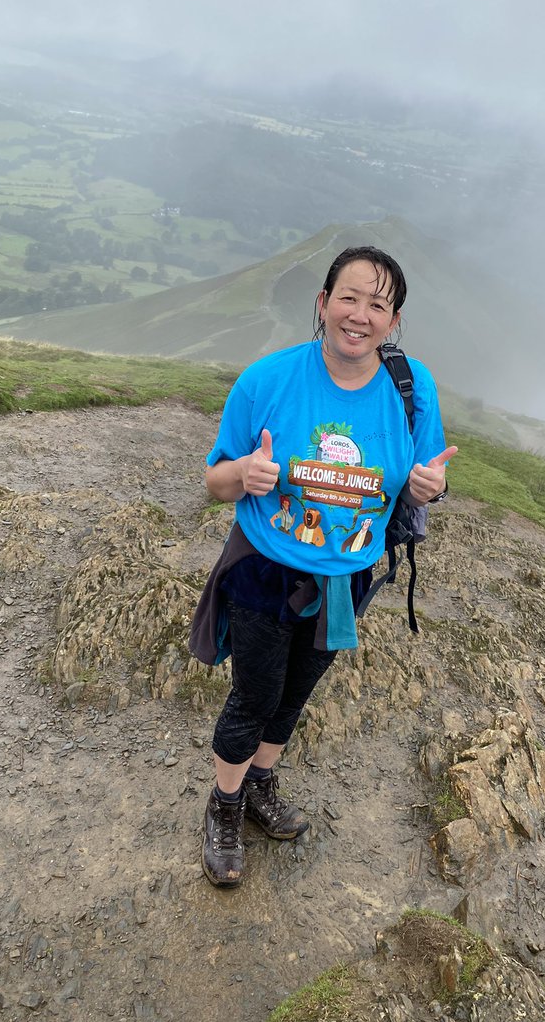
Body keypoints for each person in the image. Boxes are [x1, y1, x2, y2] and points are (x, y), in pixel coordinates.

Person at [189, 246, 456, 887]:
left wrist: (429, 488)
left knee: (294, 697)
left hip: (348, 577)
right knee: (253, 696)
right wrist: (243, 475)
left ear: (393, 322)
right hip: (265, 569)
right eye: (349, 297)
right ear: (322, 304)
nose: (360, 315)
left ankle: (259, 784)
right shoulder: (268, 380)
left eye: (378, 305)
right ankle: (223, 807)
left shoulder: (410, 389)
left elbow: (429, 474)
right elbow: (214, 482)